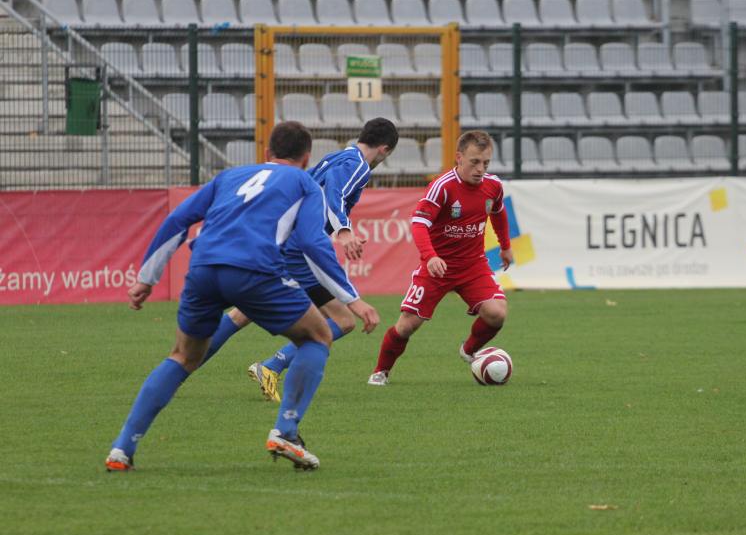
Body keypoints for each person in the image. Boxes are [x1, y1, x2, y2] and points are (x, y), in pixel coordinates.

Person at [105, 122, 363, 472]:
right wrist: (352, 298)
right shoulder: (305, 183)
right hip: (256, 271)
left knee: (182, 357)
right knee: (317, 335)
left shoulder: (229, 177)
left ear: (267, 153)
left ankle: (122, 448)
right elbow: (311, 243)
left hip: (203, 270)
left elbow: (178, 219)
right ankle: (286, 430)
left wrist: (146, 278)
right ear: (306, 158)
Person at [199, 118, 397, 401]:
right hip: (299, 250)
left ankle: (183, 364)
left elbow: (311, 192)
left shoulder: (337, 156)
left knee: (243, 312)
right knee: (343, 320)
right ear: (385, 149)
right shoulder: (359, 166)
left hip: (282, 242)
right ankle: (272, 366)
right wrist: (343, 231)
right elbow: (334, 196)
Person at [368, 130, 513, 386]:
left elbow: (499, 213)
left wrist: (505, 246)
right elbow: (419, 223)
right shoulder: (443, 187)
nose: (481, 169)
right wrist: (431, 256)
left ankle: (469, 350)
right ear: (459, 157)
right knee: (407, 325)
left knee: (497, 313)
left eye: (486, 163)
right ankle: (381, 371)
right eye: (475, 162)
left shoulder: (493, 186)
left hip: (473, 265)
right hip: (437, 267)